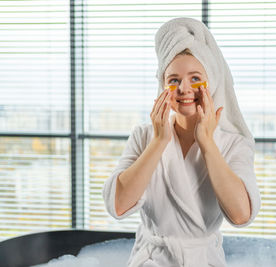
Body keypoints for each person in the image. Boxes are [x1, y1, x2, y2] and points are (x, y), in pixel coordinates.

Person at [103, 17, 260, 267]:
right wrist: (159, 141)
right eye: (174, 80)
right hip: (151, 260)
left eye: (195, 78)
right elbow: (118, 206)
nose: (185, 89)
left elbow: (241, 215)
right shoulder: (143, 137)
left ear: (212, 82)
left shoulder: (233, 144)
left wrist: (207, 144)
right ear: (163, 86)